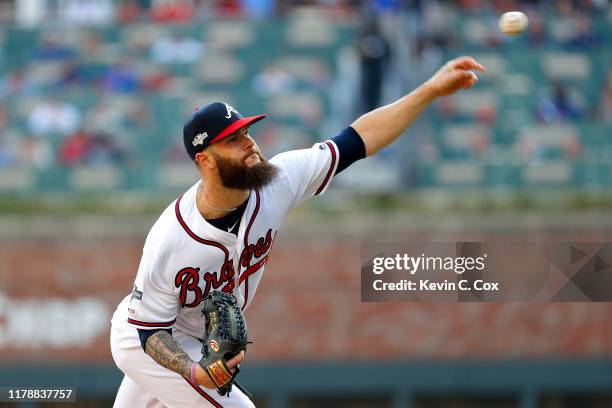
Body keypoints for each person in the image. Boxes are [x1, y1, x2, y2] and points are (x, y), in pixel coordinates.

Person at [109, 56, 485, 407]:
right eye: (233, 140)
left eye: (246, 132)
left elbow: (357, 140)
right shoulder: (172, 238)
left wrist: (430, 90)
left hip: (190, 337)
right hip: (149, 338)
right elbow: (150, 333)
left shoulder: (279, 181)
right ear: (204, 159)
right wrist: (194, 371)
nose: (249, 143)